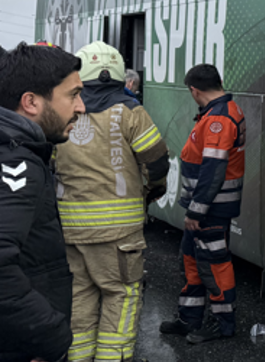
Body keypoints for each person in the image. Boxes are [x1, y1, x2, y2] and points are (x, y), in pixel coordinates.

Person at [54, 42, 168, 362]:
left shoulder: (63, 111)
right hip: (119, 234)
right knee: (121, 295)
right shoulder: (130, 112)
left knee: (79, 298)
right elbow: (157, 162)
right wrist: (152, 191)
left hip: (71, 228)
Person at [0, 42, 85, 362]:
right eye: (73, 94)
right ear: (31, 102)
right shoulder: (16, 163)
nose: (81, 107)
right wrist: (51, 337)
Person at [158, 64, 245, 344]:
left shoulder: (219, 118)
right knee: (191, 261)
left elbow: (214, 169)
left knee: (214, 266)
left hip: (211, 209)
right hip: (206, 207)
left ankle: (224, 325)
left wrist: (197, 210)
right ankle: (189, 319)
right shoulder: (218, 113)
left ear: (194, 91)